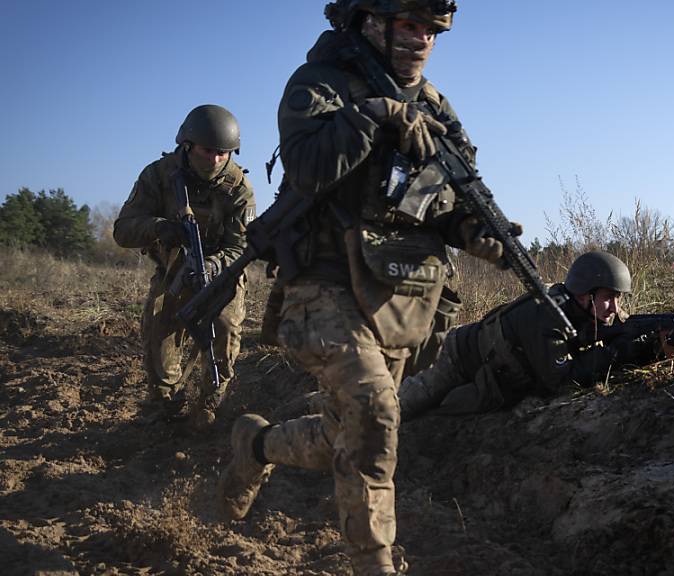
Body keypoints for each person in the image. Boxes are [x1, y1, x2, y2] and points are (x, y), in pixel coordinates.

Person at [216, 2, 503, 574]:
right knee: (373, 412)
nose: (420, 40)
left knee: (345, 435)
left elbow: (442, 200)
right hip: (320, 286)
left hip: (397, 296)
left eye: (430, 31)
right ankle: (374, 564)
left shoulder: (437, 107)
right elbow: (308, 169)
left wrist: (480, 232)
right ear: (369, 22)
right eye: (408, 26)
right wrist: (375, 115)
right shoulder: (319, 85)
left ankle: (256, 446)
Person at [114, 104, 255, 427]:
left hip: (222, 275)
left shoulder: (239, 188)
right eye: (209, 150)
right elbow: (122, 230)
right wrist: (160, 227)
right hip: (173, 270)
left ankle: (209, 402)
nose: (216, 159)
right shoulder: (158, 175)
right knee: (159, 334)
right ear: (188, 145)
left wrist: (214, 264)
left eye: (224, 153)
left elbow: (243, 247)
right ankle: (165, 403)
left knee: (224, 330)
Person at [399, 251, 659, 419]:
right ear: (584, 294)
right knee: (395, 410)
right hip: (451, 356)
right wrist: (615, 353)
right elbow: (560, 381)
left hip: (488, 372)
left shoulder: (592, 310)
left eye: (618, 298)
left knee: (441, 413)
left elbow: (624, 331)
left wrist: (650, 344)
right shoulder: (547, 315)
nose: (615, 307)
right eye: (608, 298)